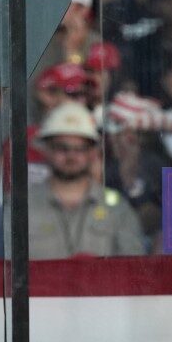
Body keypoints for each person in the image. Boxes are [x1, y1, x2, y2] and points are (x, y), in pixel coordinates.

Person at [29, 101, 146, 259]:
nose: (71, 156)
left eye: (80, 149)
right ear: (47, 150)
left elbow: (134, 269)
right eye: (62, 148)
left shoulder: (117, 208)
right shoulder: (21, 206)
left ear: (92, 153)